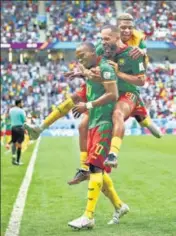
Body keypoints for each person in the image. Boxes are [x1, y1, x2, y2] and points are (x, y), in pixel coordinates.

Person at [68, 42, 128, 229]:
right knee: (97, 170)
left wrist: (87, 105)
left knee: (94, 168)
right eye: (77, 57)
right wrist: (83, 74)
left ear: (93, 53)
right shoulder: (94, 71)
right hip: (94, 123)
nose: (80, 59)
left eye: (83, 55)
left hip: (104, 123)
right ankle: (119, 206)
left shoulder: (105, 68)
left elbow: (113, 94)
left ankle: (88, 217)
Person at [9, 99, 26, 165]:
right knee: (19, 144)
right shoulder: (21, 111)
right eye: (21, 103)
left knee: (13, 142)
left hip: (13, 128)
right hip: (20, 128)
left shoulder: (11, 110)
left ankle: (13, 157)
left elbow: (11, 117)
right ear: (19, 104)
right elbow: (24, 120)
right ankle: (18, 161)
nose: (22, 104)